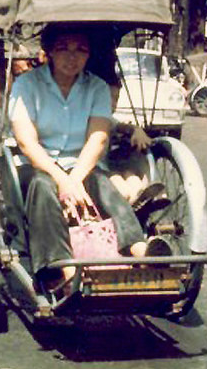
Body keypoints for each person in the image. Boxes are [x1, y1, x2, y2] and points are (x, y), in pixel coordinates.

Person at [9, 25, 151, 295]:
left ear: (89, 55)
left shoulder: (95, 87)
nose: (71, 57)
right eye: (63, 48)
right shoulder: (27, 85)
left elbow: (97, 138)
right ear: (48, 51)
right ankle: (65, 270)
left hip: (80, 164)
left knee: (101, 181)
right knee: (42, 186)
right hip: (37, 165)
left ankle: (140, 251)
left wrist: (73, 180)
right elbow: (27, 143)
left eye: (80, 50)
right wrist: (63, 180)